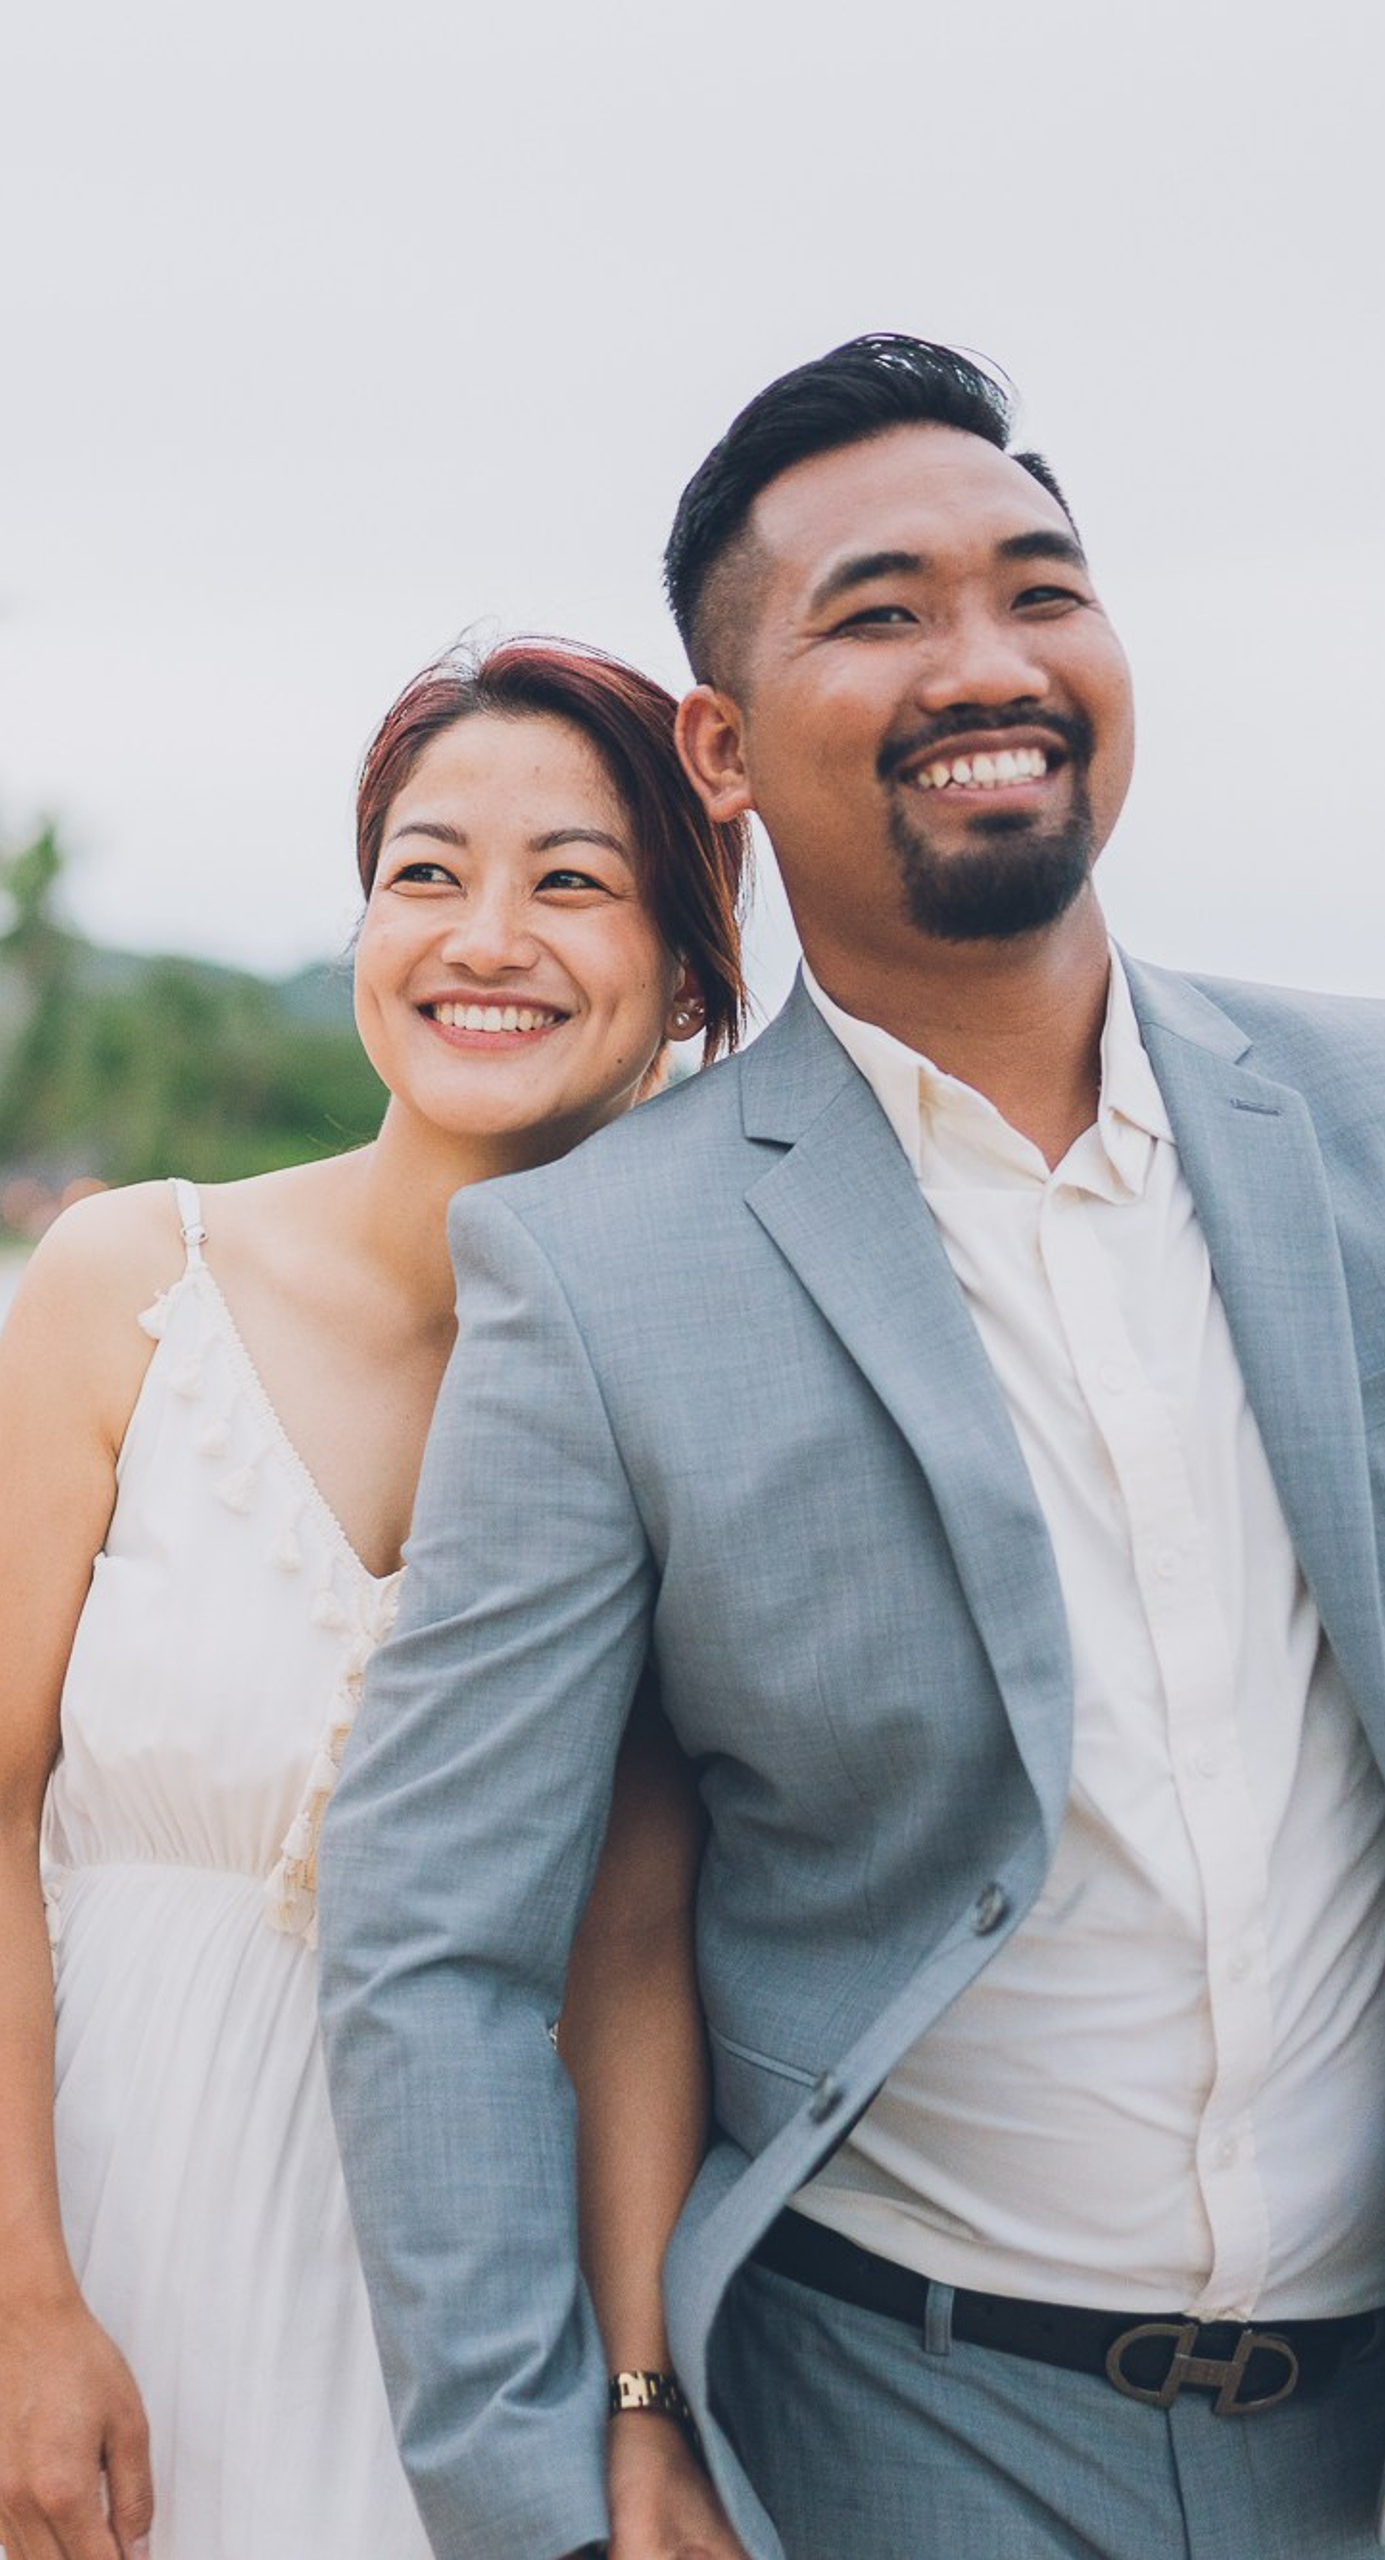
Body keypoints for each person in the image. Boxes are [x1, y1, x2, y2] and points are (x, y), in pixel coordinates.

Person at [319, 330, 1385, 2560]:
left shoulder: (1359, 1121)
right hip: (903, 2425)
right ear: (714, 746)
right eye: (876, 611)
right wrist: (553, 2485)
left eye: (1037, 585)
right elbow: (440, 1940)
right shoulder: (600, 1274)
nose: (979, 661)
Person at [0, 638, 751, 2560]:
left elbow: (634, 1941)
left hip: (459, 2302)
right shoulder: (129, 1283)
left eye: (573, 881)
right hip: (101, 2214)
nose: (487, 936)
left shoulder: (689, 1378)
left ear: (685, 966)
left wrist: (642, 2403)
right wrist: (22, 2302)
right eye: (425, 870)